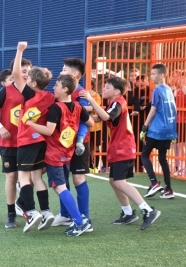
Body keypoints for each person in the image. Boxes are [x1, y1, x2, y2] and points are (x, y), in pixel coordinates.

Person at [80, 76, 160, 230]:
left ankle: (148, 210)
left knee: (119, 182)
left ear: (117, 91)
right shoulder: (113, 103)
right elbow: (97, 118)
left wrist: (90, 99)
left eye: (107, 87)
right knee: (113, 180)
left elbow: (104, 116)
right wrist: (78, 112)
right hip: (118, 147)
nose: (104, 89)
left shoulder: (118, 102)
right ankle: (128, 212)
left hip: (124, 147)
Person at [26, 73, 94, 236]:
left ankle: (79, 221)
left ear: (65, 89)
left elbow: (49, 130)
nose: (54, 87)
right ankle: (78, 219)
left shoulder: (57, 107)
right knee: (61, 186)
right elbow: (90, 122)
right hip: (67, 152)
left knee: (60, 187)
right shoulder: (78, 106)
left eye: (56, 85)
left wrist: (31, 123)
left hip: (55, 154)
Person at [12, 41, 55, 233]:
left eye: (28, 78)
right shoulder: (50, 97)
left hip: (27, 141)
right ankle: (45, 211)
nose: (25, 79)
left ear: (34, 84)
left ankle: (31, 212)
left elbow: (14, 75)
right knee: (37, 177)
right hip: (41, 142)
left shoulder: (30, 95)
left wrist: (20, 51)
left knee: (24, 178)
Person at [51, 58, 93, 230]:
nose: (60, 72)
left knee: (77, 178)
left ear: (75, 74)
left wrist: (80, 140)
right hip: (63, 145)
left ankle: (85, 217)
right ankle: (65, 214)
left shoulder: (81, 93)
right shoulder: (61, 92)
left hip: (78, 144)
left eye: (64, 69)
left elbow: (87, 118)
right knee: (63, 179)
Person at [0, 65, 28, 229]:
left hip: (29, 143)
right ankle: (11, 214)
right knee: (12, 177)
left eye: (28, 71)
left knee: (31, 177)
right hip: (10, 143)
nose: (26, 74)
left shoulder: (34, 91)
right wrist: (0, 128)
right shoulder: (5, 91)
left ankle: (23, 204)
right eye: (23, 71)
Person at [140, 63, 178, 199]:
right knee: (162, 158)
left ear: (162, 75)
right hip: (168, 129)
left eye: (154, 74)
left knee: (144, 155)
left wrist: (144, 127)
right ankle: (168, 189)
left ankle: (154, 183)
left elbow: (153, 110)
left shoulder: (157, 90)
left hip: (157, 129)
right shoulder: (169, 89)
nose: (152, 77)